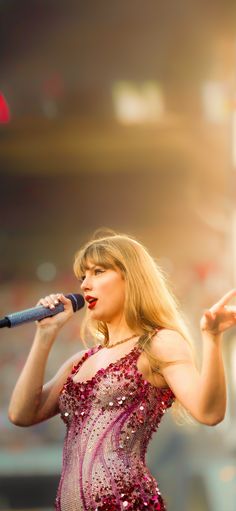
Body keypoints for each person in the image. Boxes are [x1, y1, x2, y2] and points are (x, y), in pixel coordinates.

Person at [8, 232, 236, 511]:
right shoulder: (79, 361)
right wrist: (45, 335)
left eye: (98, 272)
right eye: (83, 276)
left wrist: (211, 338)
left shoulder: (158, 343)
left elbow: (209, 412)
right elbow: (21, 414)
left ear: (131, 278)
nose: (85, 284)